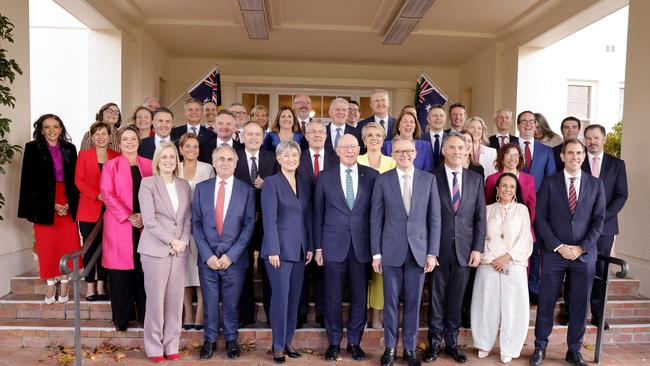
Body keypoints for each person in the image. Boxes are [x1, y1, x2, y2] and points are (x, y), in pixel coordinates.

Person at [531, 139, 605, 366]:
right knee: (546, 302)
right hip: (554, 254)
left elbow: (599, 221)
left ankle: (574, 350)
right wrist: (559, 246)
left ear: (584, 156)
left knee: (580, 304)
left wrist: (581, 247)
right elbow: (540, 218)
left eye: (579, 153)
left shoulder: (595, 184)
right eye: (570, 153)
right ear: (562, 156)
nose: (575, 157)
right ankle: (540, 347)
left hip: (584, 255)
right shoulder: (550, 183)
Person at [371, 136, 441, 366]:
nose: (404, 155)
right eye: (399, 151)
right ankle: (390, 348)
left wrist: (432, 253)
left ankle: (410, 349)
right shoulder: (383, 180)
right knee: (390, 303)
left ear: (415, 153)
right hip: (390, 251)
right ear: (392, 154)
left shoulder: (428, 180)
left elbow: (435, 219)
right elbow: (376, 219)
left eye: (408, 151)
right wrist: (376, 254)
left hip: (418, 252)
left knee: (413, 303)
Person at [314, 134, 379, 362]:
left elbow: (376, 215)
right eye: (345, 147)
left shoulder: (372, 176)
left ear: (359, 149)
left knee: (360, 297)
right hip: (332, 246)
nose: (349, 151)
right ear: (337, 150)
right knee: (332, 296)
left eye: (353, 147)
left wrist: (376, 250)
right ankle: (333, 342)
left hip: (362, 247)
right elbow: (318, 214)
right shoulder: (324, 177)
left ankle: (354, 342)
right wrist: (318, 248)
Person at [426, 132, 486, 364]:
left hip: (465, 250)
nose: (457, 152)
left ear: (467, 151)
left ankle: (451, 343)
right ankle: (433, 344)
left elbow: (480, 218)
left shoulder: (475, 179)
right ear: (443, 151)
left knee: (456, 299)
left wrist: (477, 249)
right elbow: (426, 217)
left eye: (461, 148)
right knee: (436, 299)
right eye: (452, 148)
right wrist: (428, 250)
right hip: (438, 250)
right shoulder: (431, 177)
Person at [192, 145, 256, 360]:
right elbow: (196, 224)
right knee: (210, 300)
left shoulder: (246, 190)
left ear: (236, 163)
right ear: (214, 162)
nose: (225, 163)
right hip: (207, 257)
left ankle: (231, 339)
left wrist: (231, 255)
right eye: (221, 159)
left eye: (230, 159)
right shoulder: (201, 188)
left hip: (234, 259)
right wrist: (207, 255)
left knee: (231, 301)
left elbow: (248, 226)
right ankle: (209, 340)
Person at [18, 114, 81, 304]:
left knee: (68, 244)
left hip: (67, 199)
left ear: (61, 129)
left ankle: (65, 282)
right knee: (47, 246)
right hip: (43, 203)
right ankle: (51, 284)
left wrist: (70, 203)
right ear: (41, 129)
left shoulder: (70, 148)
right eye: (47, 127)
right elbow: (29, 181)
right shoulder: (32, 148)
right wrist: (51, 205)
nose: (52, 131)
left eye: (56, 126)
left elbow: (75, 179)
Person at [138, 143, 192, 362]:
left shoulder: (184, 185)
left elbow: (188, 217)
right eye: (164, 157)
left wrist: (183, 241)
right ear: (157, 160)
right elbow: (149, 221)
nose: (168, 160)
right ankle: (154, 347)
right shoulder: (148, 183)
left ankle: (172, 344)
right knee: (156, 301)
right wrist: (172, 240)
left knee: (174, 300)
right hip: (155, 250)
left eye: (172, 156)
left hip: (179, 252)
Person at [471, 173, 533, 364]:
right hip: (489, 264)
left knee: (513, 307)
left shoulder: (522, 210)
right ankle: (483, 343)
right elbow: (480, 236)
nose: (507, 189)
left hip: (513, 265)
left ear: (516, 191)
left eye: (512, 187)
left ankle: (510, 347)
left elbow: (525, 238)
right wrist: (492, 259)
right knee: (485, 304)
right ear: (497, 188)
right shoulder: (487, 209)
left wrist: (507, 257)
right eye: (504, 186)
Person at [261, 141, 314, 364]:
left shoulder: (303, 182)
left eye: (295, 155)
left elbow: (307, 216)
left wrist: (310, 245)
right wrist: (273, 248)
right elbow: (269, 219)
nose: (291, 159)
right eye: (287, 155)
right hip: (278, 252)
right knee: (280, 299)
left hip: (300, 250)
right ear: (279, 159)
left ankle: (288, 340)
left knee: (294, 299)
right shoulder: (272, 183)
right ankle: (277, 344)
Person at [100, 126, 153, 331]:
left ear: (139, 142)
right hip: (119, 225)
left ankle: (145, 316)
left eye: (133, 138)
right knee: (120, 275)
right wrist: (129, 216)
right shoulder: (111, 166)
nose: (130, 142)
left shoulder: (148, 165)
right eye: (126, 139)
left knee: (143, 272)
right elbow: (108, 194)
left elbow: (156, 193)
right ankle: (122, 319)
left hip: (145, 225)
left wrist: (144, 216)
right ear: (119, 143)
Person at [235, 122, 280, 327]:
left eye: (257, 134)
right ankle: (245, 314)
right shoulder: (233, 156)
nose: (253, 137)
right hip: (240, 222)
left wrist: (267, 185)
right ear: (242, 137)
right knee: (243, 269)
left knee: (268, 269)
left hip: (266, 222)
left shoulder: (272, 157)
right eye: (249, 134)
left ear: (263, 138)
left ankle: (272, 314)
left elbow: (281, 185)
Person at [584, 125, 628, 329]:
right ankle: (571, 310)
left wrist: (602, 217)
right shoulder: (577, 160)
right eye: (588, 138)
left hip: (605, 227)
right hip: (579, 226)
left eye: (595, 137)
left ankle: (598, 314)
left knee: (601, 271)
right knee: (577, 269)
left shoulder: (616, 164)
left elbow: (621, 195)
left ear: (604, 138)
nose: (592, 141)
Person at [296, 120, 336, 328]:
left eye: (321, 132)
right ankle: (300, 312)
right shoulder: (297, 158)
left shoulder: (336, 158)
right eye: (313, 132)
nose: (318, 135)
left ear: (326, 136)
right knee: (302, 269)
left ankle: (322, 312)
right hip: (301, 221)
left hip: (327, 221)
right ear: (306, 136)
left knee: (323, 270)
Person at [357, 122, 396, 330]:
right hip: (360, 222)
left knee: (380, 272)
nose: (374, 138)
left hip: (385, 222)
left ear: (383, 139)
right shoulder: (356, 159)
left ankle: (377, 314)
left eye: (378, 135)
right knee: (362, 270)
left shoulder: (392, 162)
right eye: (369, 135)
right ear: (363, 140)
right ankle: (361, 312)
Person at [75, 121, 119, 301]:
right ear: (92, 137)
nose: (101, 137)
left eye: (104, 133)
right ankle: (90, 285)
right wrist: (98, 195)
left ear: (110, 137)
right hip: (89, 208)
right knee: (90, 247)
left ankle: (102, 283)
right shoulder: (83, 155)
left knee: (107, 247)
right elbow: (79, 181)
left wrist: (108, 197)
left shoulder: (116, 156)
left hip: (111, 210)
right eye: (97, 134)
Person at [516, 110, 555, 304]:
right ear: (518, 125)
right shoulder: (510, 147)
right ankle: (516, 287)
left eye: (532, 121)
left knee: (536, 248)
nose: (528, 125)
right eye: (524, 121)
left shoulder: (546, 151)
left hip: (538, 209)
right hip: (513, 207)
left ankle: (532, 287)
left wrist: (542, 207)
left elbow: (550, 181)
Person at [177, 133, 215, 331]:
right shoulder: (175, 167)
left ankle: (200, 309)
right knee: (183, 269)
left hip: (202, 225)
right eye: (188, 146)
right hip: (179, 225)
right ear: (181, 149)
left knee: (200, 269)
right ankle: (187, 310)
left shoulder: (207, 168)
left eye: (195, 147)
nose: (192, 150)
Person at [484, 144, 537, 226]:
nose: (512, 158)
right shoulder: (492, 179)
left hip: (522, 226)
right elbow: (488, 204)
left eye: (515, 155)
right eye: (508, 155)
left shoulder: (529, 179)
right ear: (502, 158)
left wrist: (526, 225)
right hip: (497, 225)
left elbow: (531, 206)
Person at [421, 104, 447, 170]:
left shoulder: (450, 139)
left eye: (441, 116)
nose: (438, 118)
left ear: (445, 119)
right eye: (435, 116)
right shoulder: (420, 140)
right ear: (428, 119)